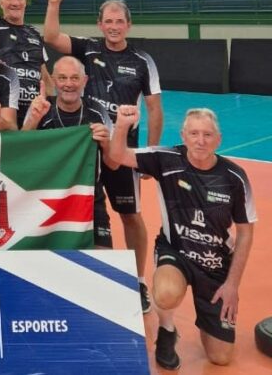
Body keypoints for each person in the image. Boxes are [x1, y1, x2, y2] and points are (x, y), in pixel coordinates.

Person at [44, 0, 164, 312]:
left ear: (128, 25)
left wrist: (149, 154)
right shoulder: (88, 48)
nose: (113, 27)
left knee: (130, 215)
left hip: (122, 151)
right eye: (108, 21)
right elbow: (51, 36)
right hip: (86, 150)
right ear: (100, 24)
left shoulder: (142, 61)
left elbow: (155, 109)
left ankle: (138, 281)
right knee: (81, 210)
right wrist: (54, 3)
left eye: (118, 21)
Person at [109, 106, 255, 370]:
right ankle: (167, 330)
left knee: (220, 356)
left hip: (215, 264)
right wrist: (121, 125)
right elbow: (118, 155)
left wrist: (232, 285)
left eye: (207, 135)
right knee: (166, 293)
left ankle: (209, 321)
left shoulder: (234, 177)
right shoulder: (166, 159)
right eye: (194, 133)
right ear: (183, 135)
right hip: (175, 251)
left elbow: (245, 233)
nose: (200, 141)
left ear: (219, 139)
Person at [22, 56, 118, 248]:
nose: (68, 84)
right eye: (62, 78)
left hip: (89, 196)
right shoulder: (41, 108)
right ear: (54, 80)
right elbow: (21, 153)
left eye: (75, 78)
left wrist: (106, 144)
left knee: (103, 256)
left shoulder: (97, 112)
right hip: (47, 195)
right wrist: (33, 121)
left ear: (85, 81)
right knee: (41, 255)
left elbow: (114, 164)